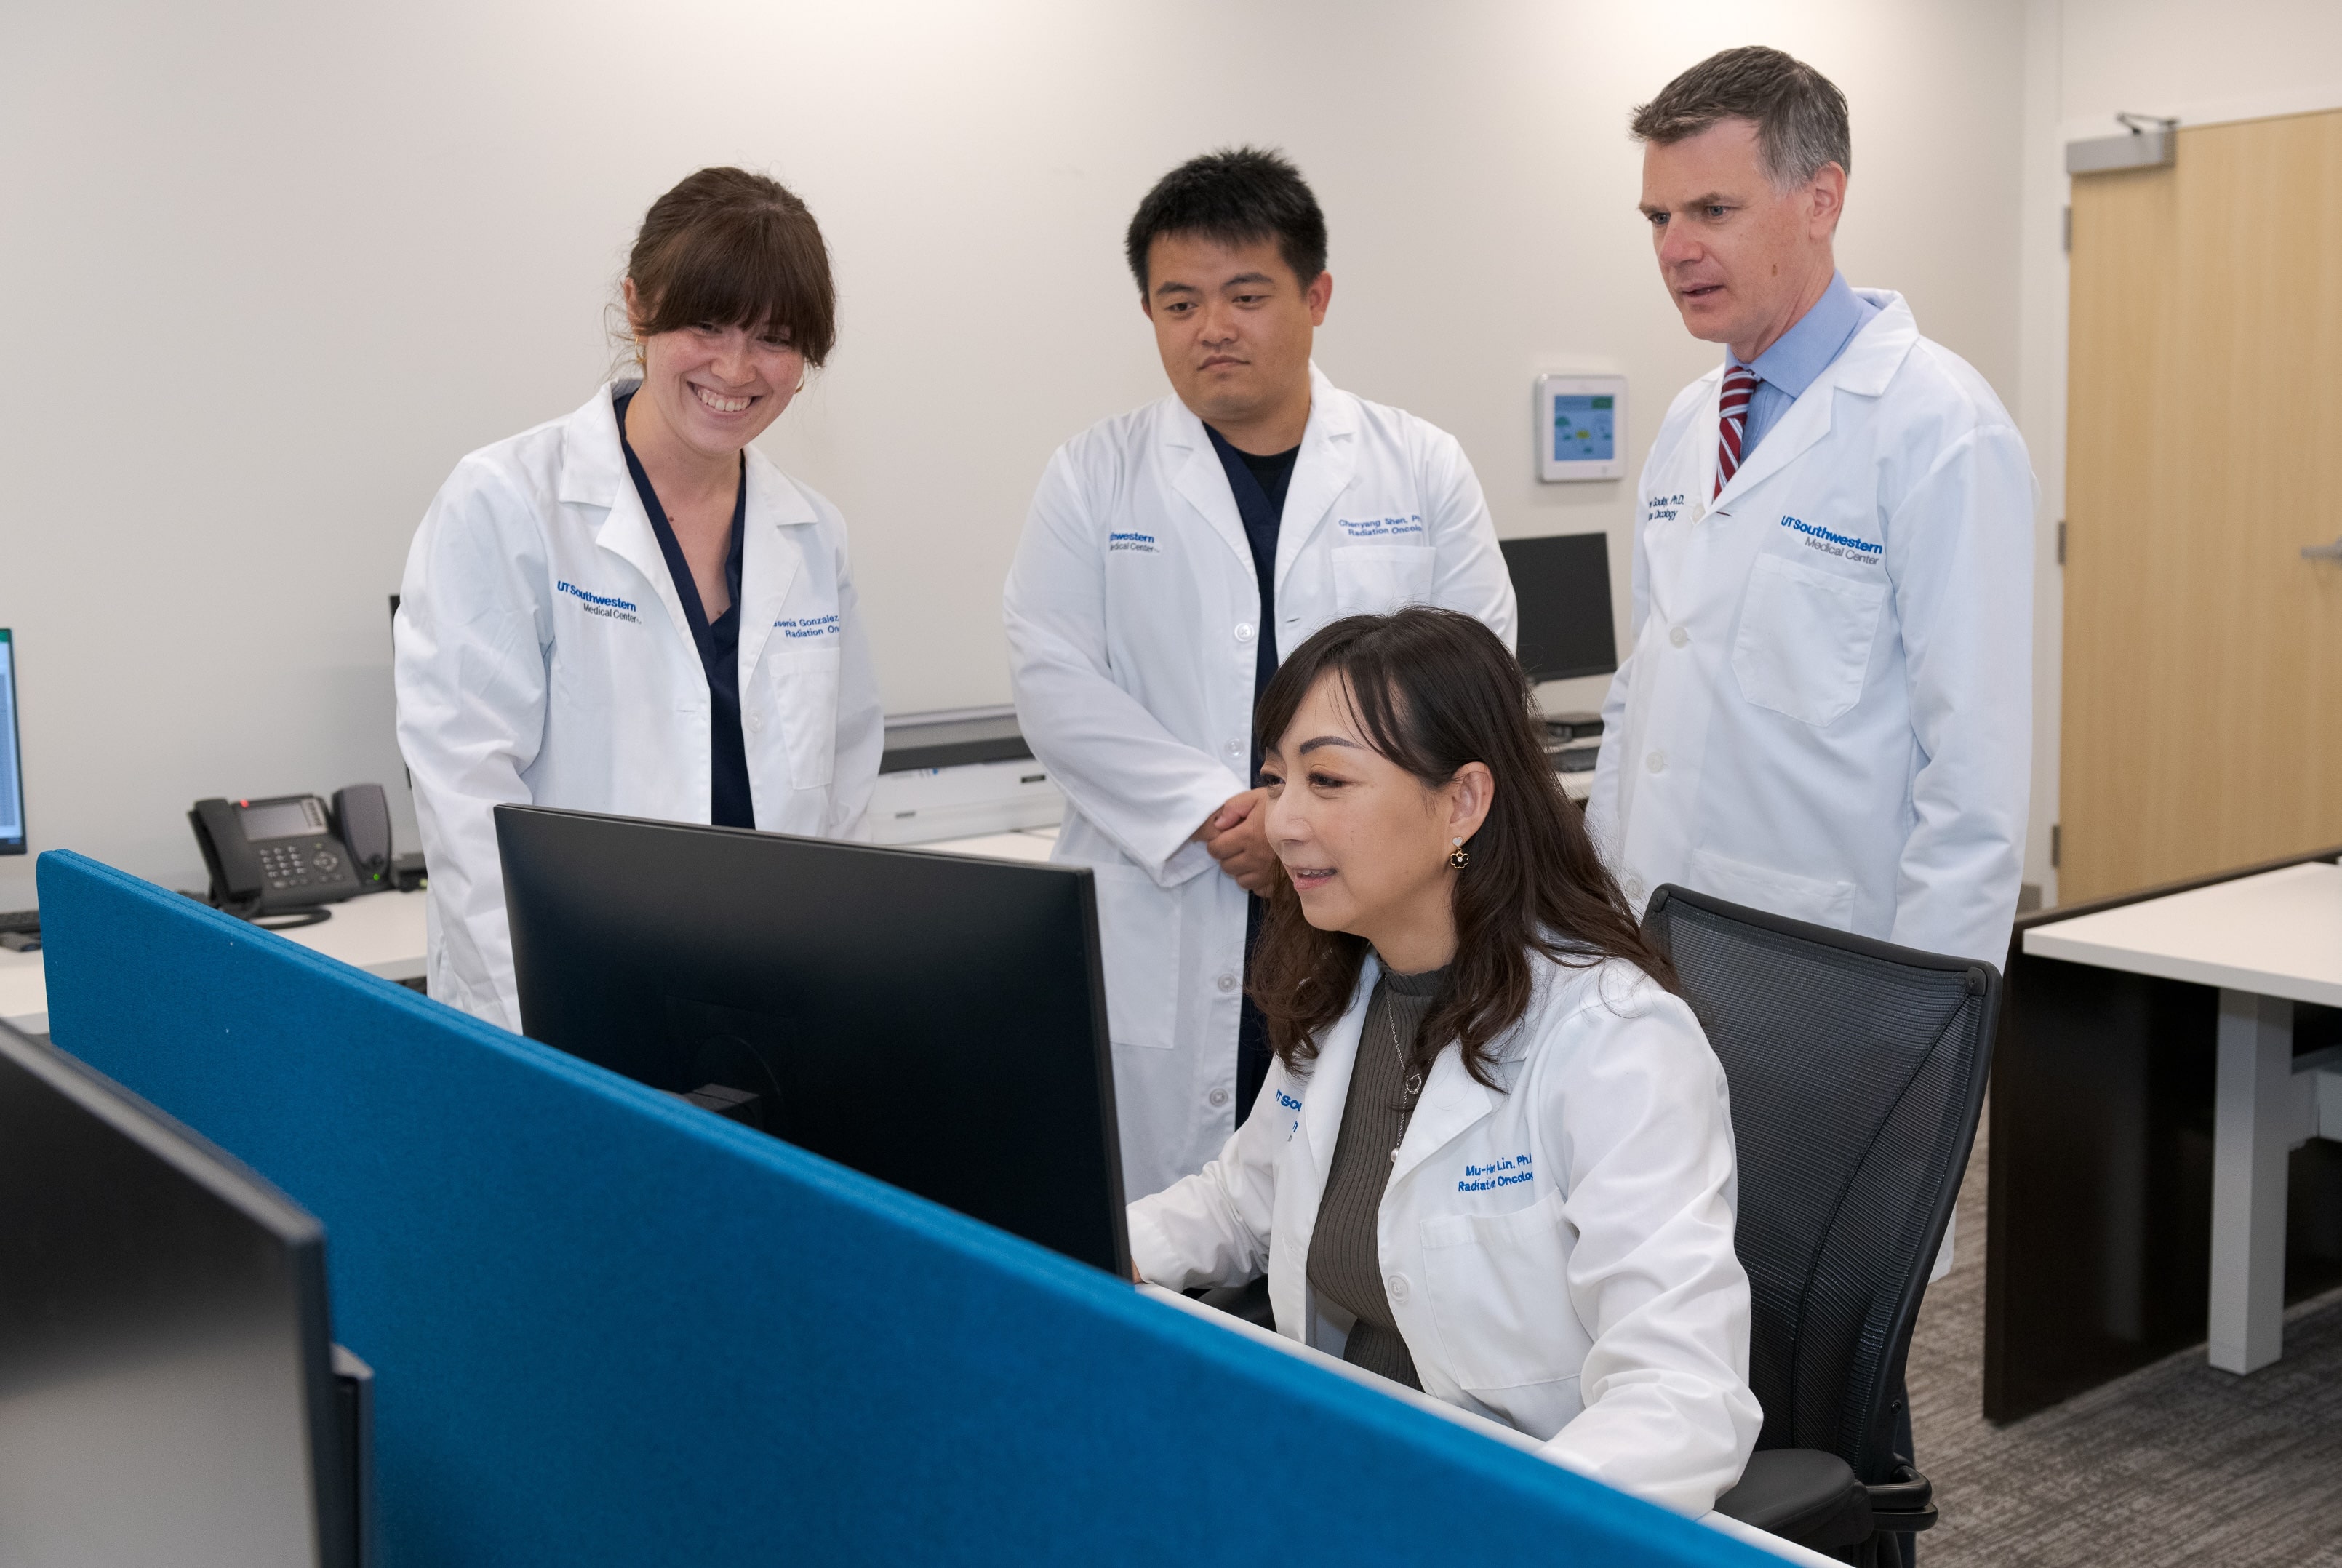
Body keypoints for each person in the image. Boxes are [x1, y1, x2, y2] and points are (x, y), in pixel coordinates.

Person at [1128, 608, 1759, 1515]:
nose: (1284, 821)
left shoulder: (1616, 1041)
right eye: (1275, 781)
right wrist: (1077, 1246)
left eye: (1328, 779)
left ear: (1461, 801)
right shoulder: (1349, 982)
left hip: (1508, 1508)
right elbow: (1239, 1201)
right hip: (1342, 1462)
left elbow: (1682, 1395)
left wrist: (1494, 1520)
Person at [1004, 148, 1516, 1201]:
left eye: (1246, 296)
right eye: (1178, 302)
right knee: (1171, 1226)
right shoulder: (1093, 474)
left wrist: (1312, 822)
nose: (1212, 329)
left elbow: (1476, 672)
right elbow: (1054, 679)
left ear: (1316, 297)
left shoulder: (1418, 466)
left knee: (1357, 1207)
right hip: (1179, 889)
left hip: (1373, 899)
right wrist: (1219, 813)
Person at [396, 168, 883, 1029]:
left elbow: (841, 785)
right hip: (566, 999)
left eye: (774, 337)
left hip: (767, 997)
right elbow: (469, 801)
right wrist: (541, 1028)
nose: (735, 368)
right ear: (637, 306)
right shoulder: (508, 501)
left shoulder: (813, 534)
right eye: (706, 323)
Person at [1591, 47, 2031, 969]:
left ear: (1821, 200)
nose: (1676, 248)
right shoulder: (1686, 426)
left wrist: (1921, 1033)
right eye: (1658, 217)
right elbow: (1643, 693)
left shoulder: (1939, 428)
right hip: (1649, 943)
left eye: (1714, 210)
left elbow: (1974, 782)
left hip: (1829, 967)